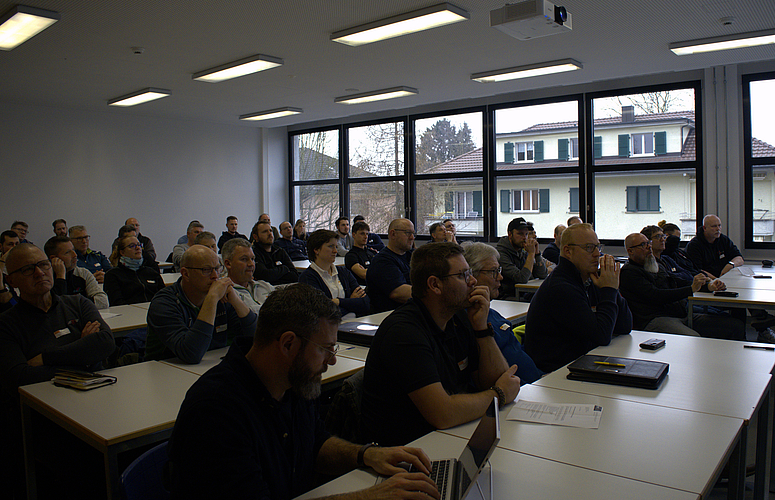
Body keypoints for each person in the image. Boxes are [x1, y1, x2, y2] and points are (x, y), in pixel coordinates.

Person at [167, 284, 439, 500]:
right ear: (288, 344)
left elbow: (314, 443)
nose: (332, 361)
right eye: (325, 349)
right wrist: (368, 496)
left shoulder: (293, 381)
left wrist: (366, 455)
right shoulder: (216, 411)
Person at [362, 242, 521, 446]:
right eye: (463, 275)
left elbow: (496, 379)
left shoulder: (458, 318)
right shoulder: (404, 332)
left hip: (450, 434)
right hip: (408, 449)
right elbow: (444, 414)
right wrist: (498, 395)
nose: (473, 281)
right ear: (435, 285)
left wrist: (482, 329)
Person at [0, 243, 115, 500]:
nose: (40, 273)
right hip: (49, 419)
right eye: (28, 269)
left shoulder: (77, 303)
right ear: (11, 281)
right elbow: (19, 377)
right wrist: (82, 354)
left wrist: (46, 358)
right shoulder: (6, 324)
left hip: (99, 402)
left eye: (43, 265)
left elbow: (106, 343)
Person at [523, 223, 632, 373]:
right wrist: (609, 290)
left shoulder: (588, 279)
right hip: (556, 373)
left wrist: (612, 287)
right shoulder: (561, 288)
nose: (597, 254)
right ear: (568, 251)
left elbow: (625, 326)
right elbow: (602, 336)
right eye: (589, 248)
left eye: (598, 247)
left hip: (580, 361)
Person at [619, 233, 744, 339]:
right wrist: (691, 289)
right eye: (643, 245)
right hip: (655, 318)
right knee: (693, 340)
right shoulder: (629, 272)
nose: (649, 247)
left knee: (734, 326)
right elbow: (656, 295)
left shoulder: (656, 265)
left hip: (679, 313)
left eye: (648, 243)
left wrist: (707, 286)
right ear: (630, 251)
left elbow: (676, 281)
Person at [145, 245, 257, 363]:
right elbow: (191, 353)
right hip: (165, 370)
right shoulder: (164, 303)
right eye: (206, 270)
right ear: (186, 274)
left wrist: (236, 300)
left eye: (217, 268)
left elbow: (256, 339)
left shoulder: (222, 299)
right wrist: (211, 298)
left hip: (209, 365)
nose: (215, 276)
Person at [462, 242, 543, 384]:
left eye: (499, 270)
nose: (500, 277)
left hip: (538, 382)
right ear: (471, 276)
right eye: (493, 271)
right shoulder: (468, 322)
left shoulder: (492, 314)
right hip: (520, 390)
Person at [685, 215, 775, 342]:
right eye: (714, 226)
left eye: (719, 225)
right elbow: (697, 270)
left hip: (725, 280)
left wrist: (730, 265)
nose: (718, 229)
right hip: (709, 284)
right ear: (704, 228)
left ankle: (759, 327)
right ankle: (759, 325)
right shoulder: (694, 245)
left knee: (744, 293)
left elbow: (739, 258)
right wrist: (717, 279)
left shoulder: (723, 240)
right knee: (739, 301)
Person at [299, 230, 369, 318]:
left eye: (336, 246)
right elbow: (323, 312)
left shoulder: (343, 272)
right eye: (331, 246)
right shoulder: (307, 277)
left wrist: (338, 302)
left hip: (352, 322)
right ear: (316, 250)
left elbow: (365, 303)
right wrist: (351, 302)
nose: (335, 251)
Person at [44, 236, 109, 309]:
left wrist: (73, 305)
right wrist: (60, 277)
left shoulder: (83, 273)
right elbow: (57, 307)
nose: (75, 255)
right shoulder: (45, 278)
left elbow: (103, 302)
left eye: (73, 250)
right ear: (54, 259)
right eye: (67, 252)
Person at [366, 218, 414, 313]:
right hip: (391, 314)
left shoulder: (412, 255)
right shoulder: (382, 261)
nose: (412, 237)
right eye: (408, 233)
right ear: (393, 234)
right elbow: (398, 293)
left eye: (413, 234)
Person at [104, 235, 165, 305]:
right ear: (122, 252)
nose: (137, 248)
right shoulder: (113, 275)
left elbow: (164, 296)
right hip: (129, 310)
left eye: (139, 245)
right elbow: (116, 302)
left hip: (154, 308)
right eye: (132, 246)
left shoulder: (151, 272)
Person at [496, 217, 548, 299]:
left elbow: (542, 275)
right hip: (508, 296)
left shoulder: (522, 251)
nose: (524, 238)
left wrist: (537, 254)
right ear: (510, 234)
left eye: (526, 234)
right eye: (520, 234)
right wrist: (531, 254)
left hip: (523, 293)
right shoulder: (500, 254)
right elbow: (521, 278)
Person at [222, 237, 274, 314]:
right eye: (244, 259)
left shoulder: (265, 286)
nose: (251, 264)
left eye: (252, 259)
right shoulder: (225, 293)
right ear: (228, 264)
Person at [251, 220, 299, 285]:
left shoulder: (280, 251)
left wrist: (274, 276)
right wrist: (284, 268)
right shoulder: (253, 253)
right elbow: (265, 276)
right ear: (255, 237)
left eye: (270, 231)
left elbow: (295, 275)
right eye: (265, 231)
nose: (270, 234)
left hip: (286, 287)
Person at [345, 220, 375, 286]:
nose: (366, 237)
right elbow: (363, 274)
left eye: (367, 234)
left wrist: (368, 270)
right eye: (362, 234)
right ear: (354, 235)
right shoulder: (351, 256)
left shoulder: (371, 253)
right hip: (363, 287)